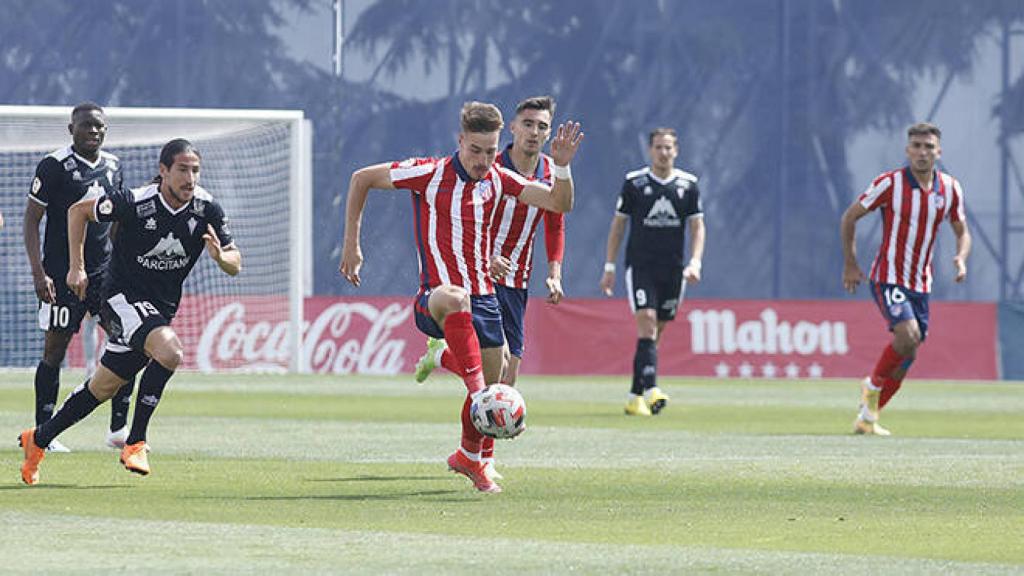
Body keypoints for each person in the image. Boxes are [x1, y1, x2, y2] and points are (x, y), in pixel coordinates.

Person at [339, 101, 582, 493]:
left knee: (500, 375)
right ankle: (479, 396)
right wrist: (351, 244)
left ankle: (470, 458)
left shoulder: (499, 180)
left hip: (486, 300)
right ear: (460, 141)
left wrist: (564, 167)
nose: (484, 160)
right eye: (475, 150)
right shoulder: (429, 172)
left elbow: (559, 204)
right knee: (457, 305)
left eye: (490, 151)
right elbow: (360, 178)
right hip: (434, 297)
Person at [19, 138, 241, 485]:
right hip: (119, 299)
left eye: (195, 170)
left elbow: (235, 261)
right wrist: (76, 267)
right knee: (170, 351)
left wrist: (221, 258)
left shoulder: (206, 208)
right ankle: (136, 441)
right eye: (182, 169)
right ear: (163, 170)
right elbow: (78, 211)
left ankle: (39, 438)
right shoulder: (135, 202)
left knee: (103, 386)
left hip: (160, 309)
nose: (190, 178)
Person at [412, 96, 566, 481]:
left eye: (542, 126)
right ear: (513, 129)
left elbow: (555, 219)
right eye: (528, 124)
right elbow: (468, 220)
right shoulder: (489, 167)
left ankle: (444, 360)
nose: (534, 132)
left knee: (503, 379)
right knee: (495, 383)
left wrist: (555, 270)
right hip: (481, 277)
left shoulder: (548, 170)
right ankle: (482, 458)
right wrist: (487, 258)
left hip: (517, 280)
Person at [841, 122, 971, 435]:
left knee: (908, 353)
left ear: (939, 152)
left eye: (928, 147)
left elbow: (962, 229)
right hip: (888, 277)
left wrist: (961, 257)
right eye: (916, 146)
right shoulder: (890, 184)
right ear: (907, 150)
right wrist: (850, 264)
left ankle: (868, 416)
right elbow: (850, 217)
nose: (922, 152)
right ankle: (871, 388)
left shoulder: (950, 189)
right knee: (907, 335)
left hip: (921, 284)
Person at [22, 102, 135, 452]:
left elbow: (118, 220)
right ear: (71, 129)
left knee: (129, 340)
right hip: (60, 272)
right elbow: (31, 220)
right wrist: (39, 273)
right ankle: (45, 429)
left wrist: (123, 265)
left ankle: (119, 428)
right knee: (54, 349)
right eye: (86, 126)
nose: (94, 131)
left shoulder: (114, 166)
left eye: (100, 126)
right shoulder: (54, 165)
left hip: (104, 274)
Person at [599, 128, 705, 416]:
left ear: (676, 150)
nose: (663, 152)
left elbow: (697, 227)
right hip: (641, 266)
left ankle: (634, 396)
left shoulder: (688, 185)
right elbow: (618, 225)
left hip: (673, 270)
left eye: (668, 147)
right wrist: (609, 265)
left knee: (654, 335)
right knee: (646, 320)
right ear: (650, 150)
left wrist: (695, 262)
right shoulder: (634, 183)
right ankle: (651, 390)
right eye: (658, 147)